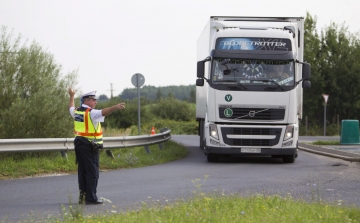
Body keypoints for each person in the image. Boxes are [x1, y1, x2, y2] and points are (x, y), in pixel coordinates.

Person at [68, 88, 125, 205]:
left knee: (82, 172)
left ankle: (83, 197)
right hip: (89, 146)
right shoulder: (91, 113)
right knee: (92, 173)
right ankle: (91, 198)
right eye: (94, 100)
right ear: (87, 100)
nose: (96, 102)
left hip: (79, 144)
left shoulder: (77, 112)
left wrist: (72, 96)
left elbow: (70, 108)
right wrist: (115, 107)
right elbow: (103, 112)